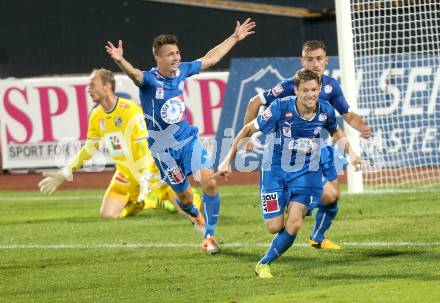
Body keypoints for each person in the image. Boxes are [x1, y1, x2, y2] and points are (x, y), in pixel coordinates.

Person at [105, 19, 256, 254]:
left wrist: (234, 37)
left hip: (187, 140)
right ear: (158, 58)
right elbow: (135, 75)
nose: (176, 57)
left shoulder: (183, 70)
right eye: (170, 54)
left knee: (210, 180)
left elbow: (211, 58)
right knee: (185, 199)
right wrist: (121, 61)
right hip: (163, 151)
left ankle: (210, 235)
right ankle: (195, 215)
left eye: (177, 52)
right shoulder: (149, 80)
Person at [217, 69, 363, 278]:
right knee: (274, 226)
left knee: (294, 222)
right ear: (296, 91)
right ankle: (285, 209)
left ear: (320, 89)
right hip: (274, 172)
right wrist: (227, 159)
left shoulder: (325, 111)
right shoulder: (279, 108)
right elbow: (248, 129)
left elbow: (335, 131)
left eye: (314, 89)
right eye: (305, 90)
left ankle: (264, 264)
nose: (311, 94)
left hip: (305, 174)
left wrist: (353, 155)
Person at [243, 40, 371, 250]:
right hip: (286, 156)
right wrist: (249, 137)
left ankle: (316, 237)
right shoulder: (288, 87)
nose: (315, 64)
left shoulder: (330, 86)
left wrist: (361, 128)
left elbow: (346, 114)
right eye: (310, 59)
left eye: (319, 59)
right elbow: (254, 103)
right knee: (283, 220)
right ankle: (293, 205)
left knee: (331, 197)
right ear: (302, 61)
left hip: (319, 151)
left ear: (326, 61)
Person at [38, 69, 202, 219]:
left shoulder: (129, 110)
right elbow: (89, 148)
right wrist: (67, 170)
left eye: (92, 85)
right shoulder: (96, 115)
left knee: (188, 209)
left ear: (107, 86)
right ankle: (144, 203)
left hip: (154, 172)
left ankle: (178, 195)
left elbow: (146, 146)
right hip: (126, 175)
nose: (89, 90)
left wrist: (145, 174)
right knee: (107, 215)